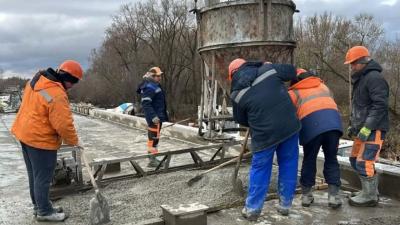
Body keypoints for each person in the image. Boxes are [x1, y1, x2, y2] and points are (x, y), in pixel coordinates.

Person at [228, 58, 301, 221]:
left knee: (260, 168)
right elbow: (292, 71)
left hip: (264, 134)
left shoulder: (236, 94)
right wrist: (271, 65)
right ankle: (285, 205)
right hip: (289, 125)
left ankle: (253, 209)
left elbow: (241, 119)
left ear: (232, 76)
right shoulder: (268, 70)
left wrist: (256, 120)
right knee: (289, 162)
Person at [11, 60, 83, 222]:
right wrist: (75, 141)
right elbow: (63, 125)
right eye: (73, 82)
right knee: (43, 177)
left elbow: (44, 102)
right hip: (40, 140)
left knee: (35, 176)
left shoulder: (37, 81)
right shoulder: (56, 94)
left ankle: (41, 206)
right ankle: (44, 211)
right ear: (67, 77)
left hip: (25, 134)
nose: (72, 86)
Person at [288, 68, 343, 209]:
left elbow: (288, 115)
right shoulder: (323, 86)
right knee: (331, 158)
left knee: (309, 159)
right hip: (334, 125)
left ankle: (306, 196)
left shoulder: (293, 93)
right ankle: (334, 197)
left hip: (312, 127)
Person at [344, 46, 389, 207]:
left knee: (365, 162)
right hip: (361, 128)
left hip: (374, 129)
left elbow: (380, 105)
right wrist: (353, 126)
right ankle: (369, 191)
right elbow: (359, 106)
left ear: (362, 62)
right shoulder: (361, 79)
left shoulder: (374, 78)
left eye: (353, 64)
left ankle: (369, 196)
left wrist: (368, 127)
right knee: (355, 159)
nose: (352, 67)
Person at [136, 66, 169, 167]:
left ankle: (153, 158)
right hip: (154, 118)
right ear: (152, 76)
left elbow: (158, 102)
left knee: (155, 138)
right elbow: (146, 104)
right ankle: (152, 160)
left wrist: (163, 112)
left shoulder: (155, 85)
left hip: (157, 117)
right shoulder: (150, 87)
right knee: (153, 139)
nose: (160, 78)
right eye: (157, 76)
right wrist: (153, 116)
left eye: (160, 76)